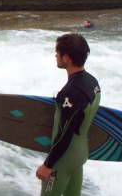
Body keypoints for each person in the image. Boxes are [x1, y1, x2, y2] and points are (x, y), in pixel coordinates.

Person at [36, 33, 101, 196]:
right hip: (79, 155)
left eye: (57, 52)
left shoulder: (71, 93)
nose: (55, 55)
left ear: (66, 58)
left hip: (63, 159)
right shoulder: (93, 83)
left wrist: (48, 165)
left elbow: (65, 134)